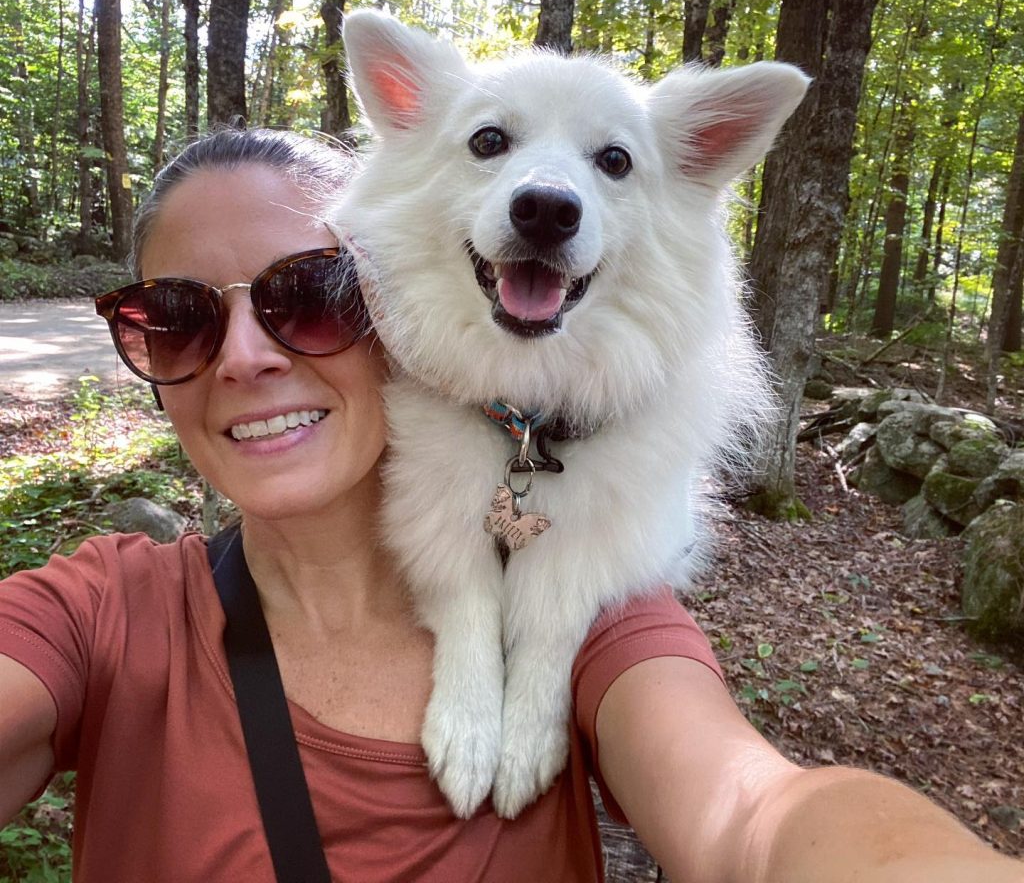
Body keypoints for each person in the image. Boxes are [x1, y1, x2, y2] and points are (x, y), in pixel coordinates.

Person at [0, 127, 1020, 883]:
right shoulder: (102, 618)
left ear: (403, 302)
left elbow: (748, 810)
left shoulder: (585, 603)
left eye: (307, 295)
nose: (245, 357)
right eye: (174, 319)